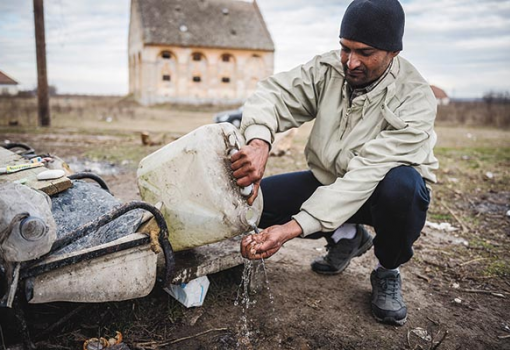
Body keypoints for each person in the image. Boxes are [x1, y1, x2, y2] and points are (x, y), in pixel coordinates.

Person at [231, 0, 438, 326]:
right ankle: (347, 236)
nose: (351, 62)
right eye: (345, 48)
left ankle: (387, 271)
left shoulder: (415, 98)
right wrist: (259, 140)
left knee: (405, 188)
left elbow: (365, 175)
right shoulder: (328, 69)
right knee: (257, 202)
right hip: (328, 180)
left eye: (365, 53)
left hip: (378, 192)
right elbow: (274, 94)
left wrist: (290, 229)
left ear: (392, 52)